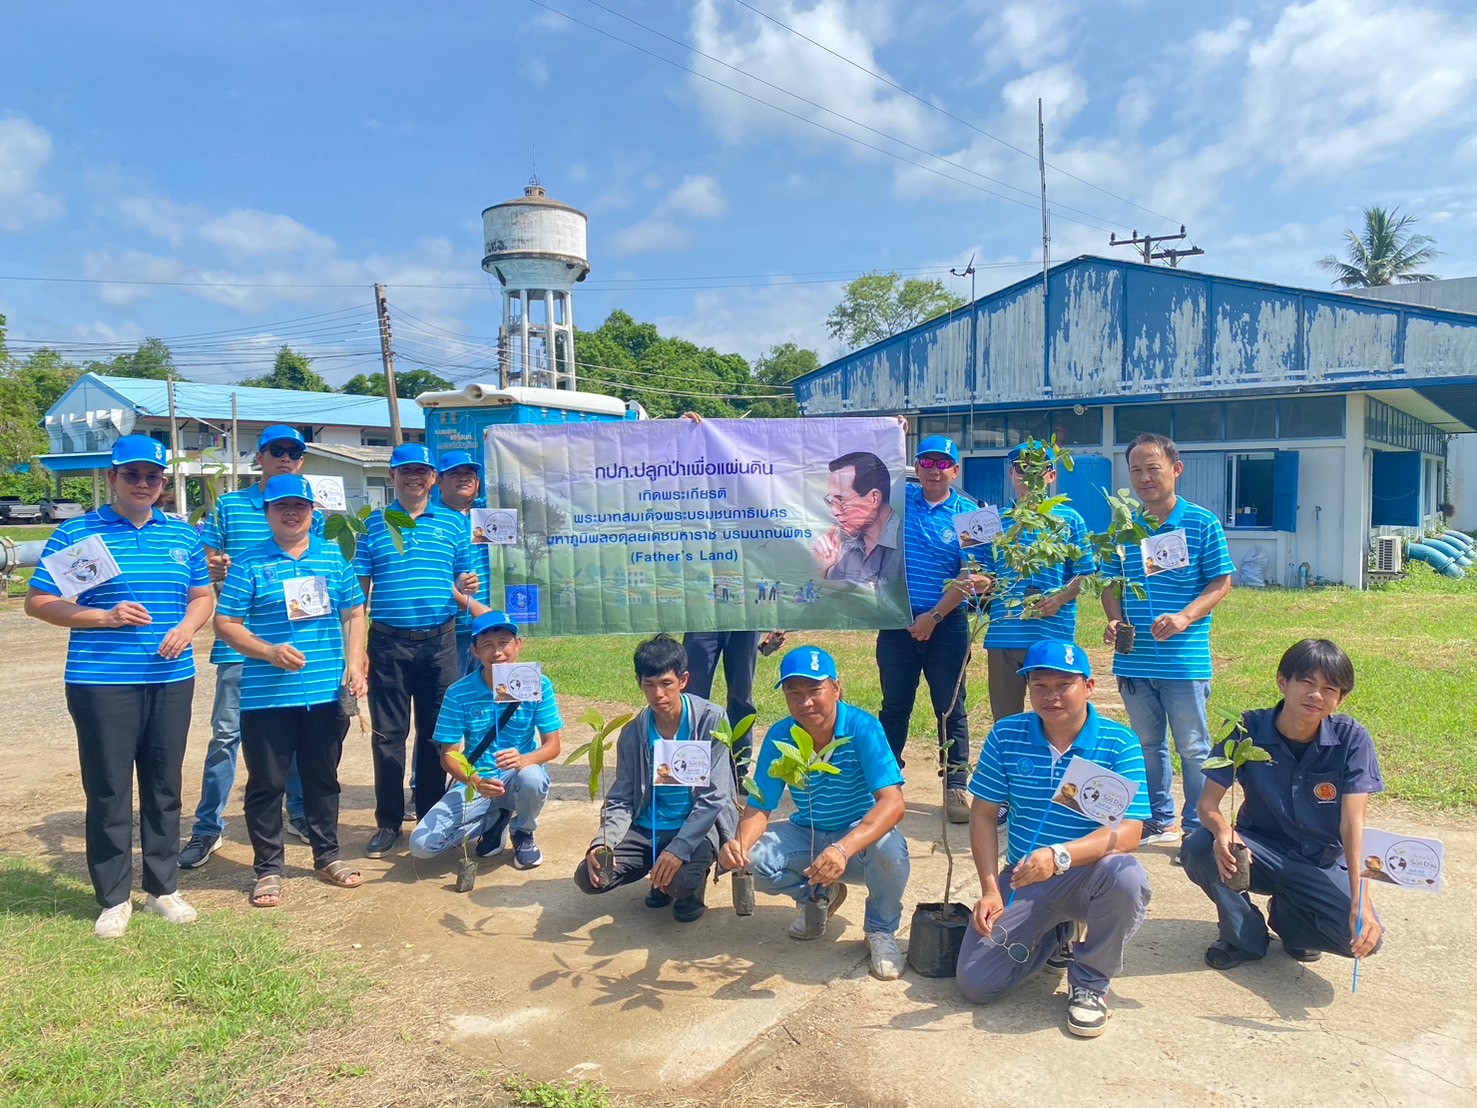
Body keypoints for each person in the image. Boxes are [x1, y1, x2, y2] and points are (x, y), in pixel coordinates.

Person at [25, 435, 215, 939]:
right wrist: (101, 616)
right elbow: (38, 601)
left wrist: (188, 627)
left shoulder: (183, 535)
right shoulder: (78, 532)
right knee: (108, 789)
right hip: (101, 682)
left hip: (171, 679)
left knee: (164, 786)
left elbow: (202, 596)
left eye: (153, 477)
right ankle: (112, 898)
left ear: (163, 483)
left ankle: (162, 889)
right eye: (131, 475)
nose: (143, 484)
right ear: (111, 478)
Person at [956, 640, 1151, 1038]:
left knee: (1127, 877)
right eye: (1039, 685)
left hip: (1090, 873)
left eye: (1064, 684)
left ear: (1089, 686)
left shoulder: (1118, 742)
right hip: (1027, 874)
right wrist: (991, 889)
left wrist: (1061, 855)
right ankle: (1056, 933)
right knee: (978, 984)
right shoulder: (1007, 734)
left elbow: (1130, 831)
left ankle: (1090, 984)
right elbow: (983, 813)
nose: (1051, 695)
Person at [1181, 639, 1385, 970]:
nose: (1316, 695)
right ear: (1282, 682)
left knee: (1362, 938)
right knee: (1199, 845)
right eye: (1306, 682)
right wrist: (1221, 830)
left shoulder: (1352, 740)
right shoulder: (1244, 730)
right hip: (1257, 851)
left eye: (1329, 688)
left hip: (1319, 862)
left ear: (1340, 699)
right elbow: (1207, 805)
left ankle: (1292, 924)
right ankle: (1243, 933)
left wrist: (1361, 903)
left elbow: (1352, 824)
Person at [213, 474, 369, 908]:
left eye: (299, 506)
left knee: (323, 779)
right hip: (267, 696)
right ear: (267, 513)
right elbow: (225, 624)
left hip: (324, 694)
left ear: (312, 512)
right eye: (281, 506)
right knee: (267, 783)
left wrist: (354, 666)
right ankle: (268, 869)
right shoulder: (248, 563)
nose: (291, 513)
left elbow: (355, 613)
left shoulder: (333, 557)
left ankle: (327, 855)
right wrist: (268, 651)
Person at [719, 646, 910, 981]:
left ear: (836, 688)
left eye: (815, 691)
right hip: (807, 834)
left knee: (891, 850)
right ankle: (819, 895)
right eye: (794, 693)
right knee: (753, 859)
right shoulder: (782, 735)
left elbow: (893, 804)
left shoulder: (863, 728)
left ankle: (880, 930)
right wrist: (739, 844)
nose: (804, 702)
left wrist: (842, 849)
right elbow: (761, 805)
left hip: (856, 839)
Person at [179, 424, 320, 870]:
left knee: (295, 737)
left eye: (293, 453)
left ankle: (297, 812)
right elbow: (199, 559)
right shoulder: (230, 506)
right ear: (257, 457)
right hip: (241, 647)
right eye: (276, 451)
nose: (285, 458)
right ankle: (207, 827)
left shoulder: (309, 504)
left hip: (296, 646)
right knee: (226, 735)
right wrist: (211, 561)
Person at [1100, 432, 1234, 851]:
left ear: (1176, 469)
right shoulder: (1124, 528)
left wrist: (1183, 617)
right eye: (1136, 470)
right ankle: (1160, 819)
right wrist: (1114, 620)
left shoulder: (1200, 522)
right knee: (1147, 744)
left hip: (1183, 662)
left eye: (1153, 468)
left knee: (1194, 747)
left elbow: (1221, 581)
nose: (1144, 478)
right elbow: (1109, 583)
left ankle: (1197, 826)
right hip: (1135, 662)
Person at [355, 442, 481, 858]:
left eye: (421, 471)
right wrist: (356, 651)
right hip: (388, 643)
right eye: (404, 470)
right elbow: (360, 591)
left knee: (436, 735)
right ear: (392, 476)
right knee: (388, 736)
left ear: (432, 478)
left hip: (441, 642)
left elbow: (464, 579)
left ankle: (428, 818)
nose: (414, 477)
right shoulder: (374, 525)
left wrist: (470, 591)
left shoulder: (453, 525)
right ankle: (389, 821)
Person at [573, 634, 737, 922]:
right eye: (649, 685)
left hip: (695, 829)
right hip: (647, 827)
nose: (658, 694)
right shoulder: (634, 733)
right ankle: (659, 874)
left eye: (666, 684)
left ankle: (688, 889)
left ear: (683, 680)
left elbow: (714, 797)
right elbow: (622, 797)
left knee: (680, 881)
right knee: (591, 878)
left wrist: (678, 849)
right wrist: (603, 843)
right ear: (639, 683)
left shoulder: (711, 720)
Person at [876, 435, 988, 824]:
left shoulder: (969, 513)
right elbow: (872, 471)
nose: (933, 471)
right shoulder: (899, 503)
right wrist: (892, 430)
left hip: (947, 623)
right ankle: (886, 784)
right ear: (916, 467)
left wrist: (934, 617)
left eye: (943, 464)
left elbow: (973, 572)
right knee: (894, 707)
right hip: (897, 624)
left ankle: (956, 786)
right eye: (926, 462)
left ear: (955, 470)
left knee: (950, 707)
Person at [408, 611, 562, 870]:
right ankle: (494, 821)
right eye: (487, 645)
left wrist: (525, 759)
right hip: (476, 781)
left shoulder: (537, 684)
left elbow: (553, 746)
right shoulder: (458, 693)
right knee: (422, 845)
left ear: (518, 645)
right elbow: (448, 755)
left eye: (503, 643)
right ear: (474, 651)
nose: (497, 652)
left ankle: (523, 832)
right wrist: (475, 781)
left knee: (533, 777)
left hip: (518, 777)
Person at [979, 440, 1096, 723]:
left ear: (1052, 475)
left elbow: (1087, 574)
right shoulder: (993, 521)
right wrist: (982, 582)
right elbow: (983, 572)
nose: (1028, 475)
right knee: (1006, 720)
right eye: (1022, 468)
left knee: (1057, 717)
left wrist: (1059, 598)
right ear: (1011, 473)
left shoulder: (1069, 519)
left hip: (1052, 634)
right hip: (1004, 636)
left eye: (1038, 468)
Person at [434, 449, 493, 676]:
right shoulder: (429, 516)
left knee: (488, 696)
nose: (464, 478)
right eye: (454, 473)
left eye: (469, 474)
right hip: (447, 628)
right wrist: (455, 587)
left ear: (477, 482)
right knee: (451, 696)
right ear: (439, 481)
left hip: (489, 624)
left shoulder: (491, 511)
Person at [813, 451, 901, 588]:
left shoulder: (909, 544)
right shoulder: (844, 550)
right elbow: (827, 603)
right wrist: (820, 571)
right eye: (832, 501)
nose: (834, 512)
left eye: (841, 500)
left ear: (874, 498)